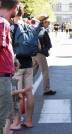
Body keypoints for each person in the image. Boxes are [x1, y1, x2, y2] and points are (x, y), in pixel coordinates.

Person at [10, 5, 35, 130]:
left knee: (17, 94)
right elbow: (38, 45)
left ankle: (17, 122)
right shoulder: (29, 26)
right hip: (29, 63)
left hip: (16, 65)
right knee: (29, 92)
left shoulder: (12, 27)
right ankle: (29, 121)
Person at [0, 0, 19, 134]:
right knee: (3, 117)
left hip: (4, 74)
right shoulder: (3, 23)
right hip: (1, 77)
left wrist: (12, 59)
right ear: (14, 8)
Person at [32, 15, 56, 95]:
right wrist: (45, 49)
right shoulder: (41, 30)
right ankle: (46, 89)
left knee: (32, 71)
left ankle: (24, 86)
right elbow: (44, 42)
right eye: (48, 22)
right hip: (40, 53)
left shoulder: (36, 28)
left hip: (34, 53)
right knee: (45, 71)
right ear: (43, 22)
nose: (49, 24)